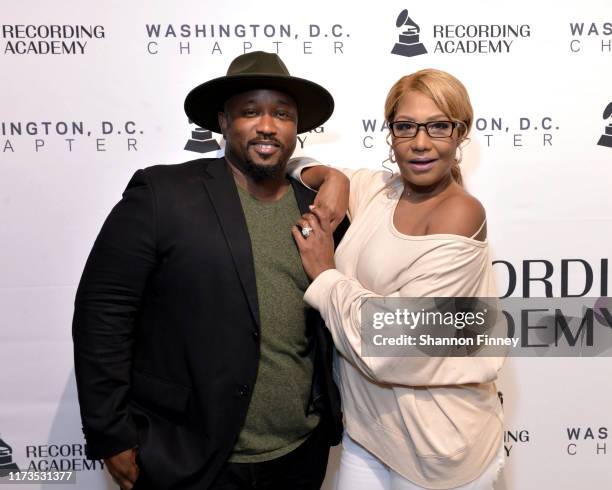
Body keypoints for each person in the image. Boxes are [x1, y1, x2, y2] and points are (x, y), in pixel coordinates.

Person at [72, 51, 350, 490]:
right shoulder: (162, 194)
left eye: (282, 114)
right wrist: (111, 432)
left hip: (299, 453)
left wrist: (336, 176)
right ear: (222, 121)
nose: (267, 125)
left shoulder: (319, 210)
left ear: (296, 128)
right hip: (190, 455)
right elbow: (103, 314)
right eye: (250, 112)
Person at [289, 68, 505, 489]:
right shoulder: (378, 191)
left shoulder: (460, 213)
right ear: (390, 133)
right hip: (368, 432)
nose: (420, 143)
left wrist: (326, 274)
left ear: (461, 134)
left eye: (439, 126)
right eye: (405, 126)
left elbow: (393, 344)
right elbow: (295, 163)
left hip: (440, 447)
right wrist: (333, 178)